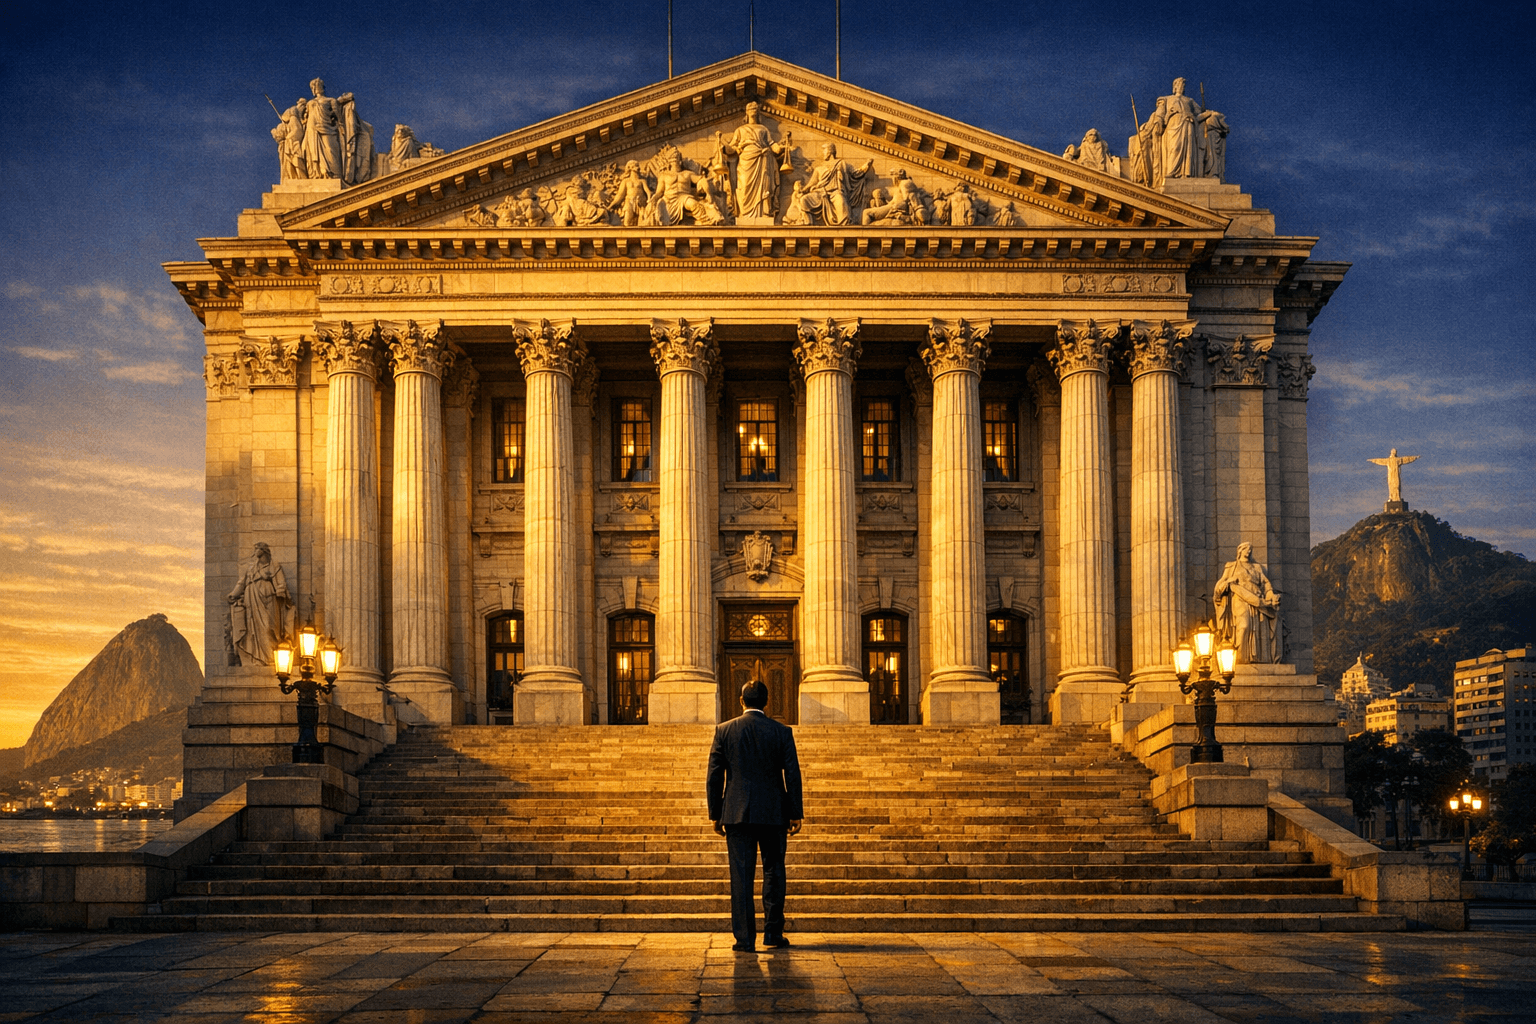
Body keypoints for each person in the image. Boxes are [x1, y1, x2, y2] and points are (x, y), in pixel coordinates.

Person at [707, 678, 804, 952]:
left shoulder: (724, 730)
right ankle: (773, 933)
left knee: (740, 876)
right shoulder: (781, 731)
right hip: (774, 812)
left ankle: (744, 939)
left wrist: (716, 813)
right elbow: (792, 774)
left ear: (741, 701)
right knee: (774, 872)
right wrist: (795, 812)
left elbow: (714, 775)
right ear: (767, 702)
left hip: (736, 813)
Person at [1213, 541, 1282, 664]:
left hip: (1257, 600)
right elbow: (1220, 585)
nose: (1248, 551)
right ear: (1240, 551)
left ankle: (1257, 659)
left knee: (1258, 630)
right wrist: (1229, 581)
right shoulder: (1232, 566)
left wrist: (1270, 593)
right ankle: (1238, 658)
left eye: (1250, 549)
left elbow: (1265, 583)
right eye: (1246, 549)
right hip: (1239, 598)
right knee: (1244, 626)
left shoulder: (1256, 567)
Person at [228, 541, 293, 666]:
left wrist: (281, 590)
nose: (255, 551)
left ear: (263, 551)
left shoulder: (274, 565)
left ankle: (271, 658)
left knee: (269, 627)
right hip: (252, 598)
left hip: (268, 598)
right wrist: (233, 594)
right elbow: (242, 582)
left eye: (257, 549)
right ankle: (256, 659)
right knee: (253, 628)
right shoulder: (251, 567)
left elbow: (281, 582)